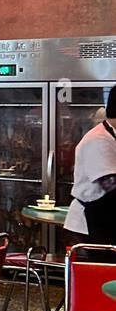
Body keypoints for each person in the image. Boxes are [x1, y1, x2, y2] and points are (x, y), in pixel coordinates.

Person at [64, 87, 116, 245]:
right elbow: (111, 184)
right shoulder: (99, 140)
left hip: (105, 218)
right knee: (104, 268)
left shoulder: (111, 135)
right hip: (92, 221)